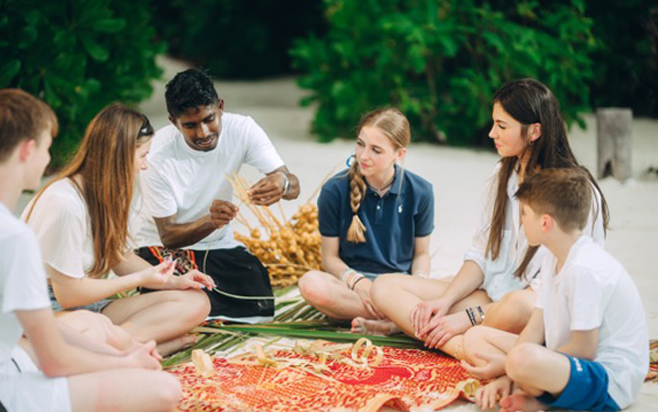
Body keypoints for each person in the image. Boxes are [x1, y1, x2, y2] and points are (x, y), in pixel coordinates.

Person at [0, 89, 180, 412]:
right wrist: (124, 363)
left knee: (96, 330)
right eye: (47, 148)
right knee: (164, 390)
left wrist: (123, 353)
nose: (48, 160)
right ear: (28, 150)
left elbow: (41, 327)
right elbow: (54, 360)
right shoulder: (12, 238)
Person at [369, 78, 609, 358]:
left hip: (538, 310)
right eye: (494, 123)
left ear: (534, 131)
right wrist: (446, 302)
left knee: (517, 305)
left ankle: (454, 337)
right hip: (492, 298)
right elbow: (481, 254)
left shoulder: (573, 192)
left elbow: (550, 293)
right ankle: (459, 345)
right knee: (384, 287)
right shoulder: (502, 175)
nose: (492, 133)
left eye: (502, 126)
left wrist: (466, 317)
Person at [24, 103, 212, 357]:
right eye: (143, 155)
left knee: (195, 301)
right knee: (82, 329)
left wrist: (175, 281)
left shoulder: (105, 194)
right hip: (43, 312)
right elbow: (68, 294)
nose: (145, 166)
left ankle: (114, 348)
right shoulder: (65, 204)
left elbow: (119, 258)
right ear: (120, 155)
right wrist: (140, 280)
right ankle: (121, 349)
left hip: (85, 306)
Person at [461, 168, 648, 412]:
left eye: (525, 213)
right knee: (476, 337)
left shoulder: (585, 269)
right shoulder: (552, 256)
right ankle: (534, 389)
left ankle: (536, 391)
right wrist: (513, 369)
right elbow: (535, 328)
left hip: (608, 378)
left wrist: (508, 370)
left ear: (546, 222)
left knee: (521, 359)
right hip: (563, 361)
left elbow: (584, 350)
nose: (522, 220)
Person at [133, 68, 300, 323]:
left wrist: (282, 182)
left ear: (220, 107)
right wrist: (210, 221)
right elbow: (168, 236)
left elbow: (294, 186)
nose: (203, 133)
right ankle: (176, 309)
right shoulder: (156, 156)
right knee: (187, 290)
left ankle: (185, 312)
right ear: (172, 121)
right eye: (190, 125)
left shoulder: (243, 129)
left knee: (257, 294)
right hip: (160, 247)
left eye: (209, 119)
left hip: (218, 244)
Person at [297, 108, 434, 333]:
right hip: (353, 288)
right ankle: (401, 320)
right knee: (311, 284)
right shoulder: (335, 190)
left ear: (399, 154)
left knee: (464, 290)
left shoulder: (421, 191)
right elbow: (329, 258)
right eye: (360, 144)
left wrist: (420, 286)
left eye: (376, 150)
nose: (363, 155)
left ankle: (394, 320)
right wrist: (358, 283)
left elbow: (421, 254)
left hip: (399, 286)